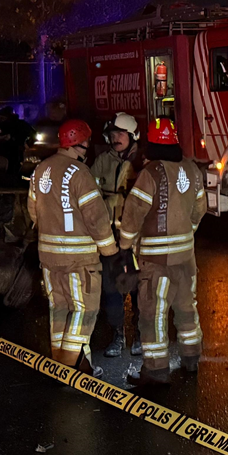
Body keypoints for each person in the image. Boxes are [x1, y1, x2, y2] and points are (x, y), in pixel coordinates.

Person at [118, 119, 207, 385]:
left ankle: (156, 370)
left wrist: (124, 246)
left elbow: (133, 213)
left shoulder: (150, 173)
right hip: (186, 257)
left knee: (154, 313)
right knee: (186, 308)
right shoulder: (192, 169)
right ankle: (191, 358)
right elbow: (199, 209)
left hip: (156, 261)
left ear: (152, 143)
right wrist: (186, 232)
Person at [27, 118, 119, 375]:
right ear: (82, 142)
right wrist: (110, 251)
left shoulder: (40, 171)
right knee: (84, 310)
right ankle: (70, 366)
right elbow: (97, 218)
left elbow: (33, 212)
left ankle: (73, 363)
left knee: (59, 308)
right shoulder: (80, 173)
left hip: (48, 257)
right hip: (79, 260)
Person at [91, 112, 143, 357]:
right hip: (109, 238)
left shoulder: (143, 162)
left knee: (139, 287)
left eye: (120, 134)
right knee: (110, 289)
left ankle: (141, 334)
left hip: (136, 239)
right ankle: (118, 335)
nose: (115, 138)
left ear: (132, 135)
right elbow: (89, 192)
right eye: (112, 134)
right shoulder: (103, 161)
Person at [0, 106, 35, 178]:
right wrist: (27, 144)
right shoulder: (22, 123)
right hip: (18, 150)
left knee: (10, 169)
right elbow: (33, 134)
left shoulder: (4, 125)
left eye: (2, 117)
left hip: (8, 151)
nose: (0, 119)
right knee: (16, 167)